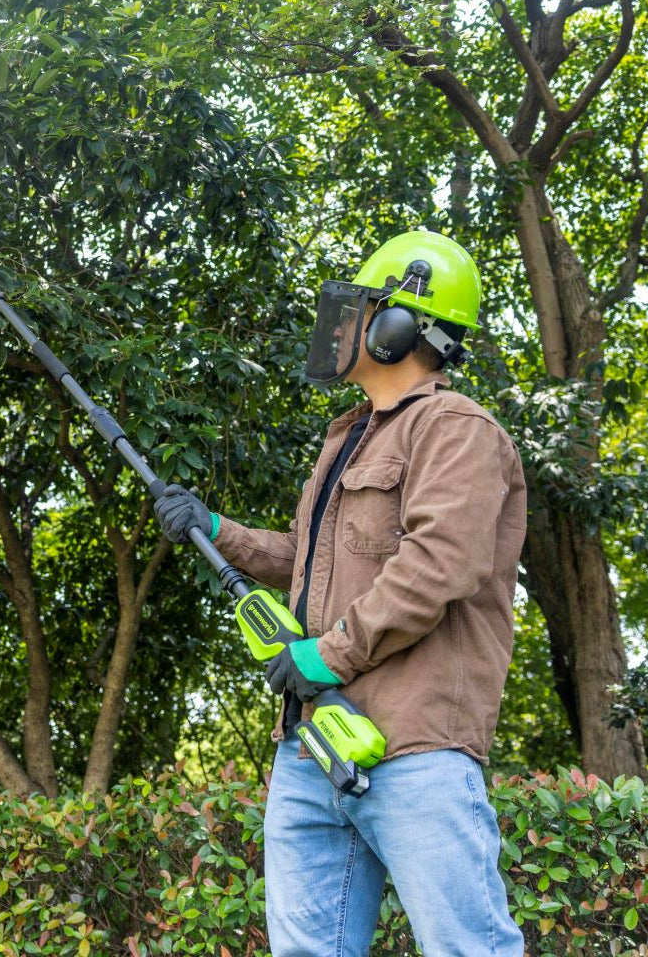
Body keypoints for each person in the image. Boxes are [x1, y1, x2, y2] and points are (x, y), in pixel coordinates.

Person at [154, 230, 527, 956]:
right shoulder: (349, 438)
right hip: (313, 746)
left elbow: (438, 565)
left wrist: (327, 655)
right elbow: (309, 561)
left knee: (469, 948)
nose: (341, 322)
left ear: (397, 326)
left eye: (361, 307)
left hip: (413, 747)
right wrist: (218, 528)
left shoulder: (456, 430)